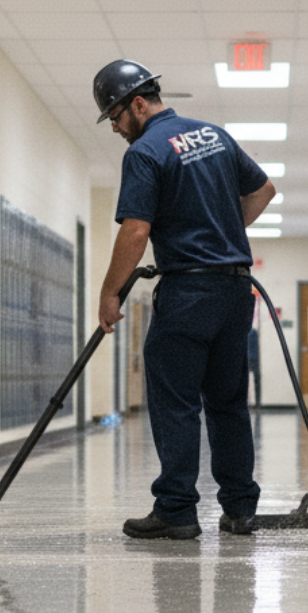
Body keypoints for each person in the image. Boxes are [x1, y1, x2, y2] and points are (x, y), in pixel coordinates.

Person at [94, 59, 276, 540]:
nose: (114, 127)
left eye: (115, 116)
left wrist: (110, 291)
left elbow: (136, 231)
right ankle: (240, 509)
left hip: (189, 291)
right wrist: (222, 233)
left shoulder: (145, 151)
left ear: (138, 103)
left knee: (175, 401)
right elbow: (263, 190)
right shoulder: (213, 135)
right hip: (237, 291)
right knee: (228, 402)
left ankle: (176, 509)